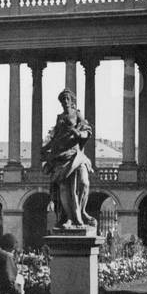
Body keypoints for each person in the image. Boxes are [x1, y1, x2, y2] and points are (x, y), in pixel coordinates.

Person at [41, 88, 95, 229]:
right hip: (61, 157)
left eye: (67, 98)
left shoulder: (77, 114)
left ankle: (81, 212)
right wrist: (46, 148)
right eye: (62, 99)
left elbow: (87, 130)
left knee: (84, 183)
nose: (65, 101)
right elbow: (56, 138)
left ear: (72, 101)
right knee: (65, 190)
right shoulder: (60, 118)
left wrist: (78, 133)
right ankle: (69, 218)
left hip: (76, 155)